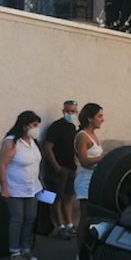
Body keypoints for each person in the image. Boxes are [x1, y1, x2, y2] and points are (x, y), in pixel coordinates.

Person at [0, 111, 43, 260]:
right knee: (17, 219)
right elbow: (2, 165)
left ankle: (26, 248)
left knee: (31, 217)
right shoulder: (11, 142)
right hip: (15, 188)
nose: (37, 129)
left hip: (32, 188)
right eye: (34, 125)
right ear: (24, 126)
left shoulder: (33, 141)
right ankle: (15, 252)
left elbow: (36, 163)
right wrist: (4, 187)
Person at [44, 100, 79, 240]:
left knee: (69, 196)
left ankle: (69, 224)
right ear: (63, 111)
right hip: (58, 170)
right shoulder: (56, 127)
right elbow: (47, 148)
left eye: (73, 111)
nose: (70, 114)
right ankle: (60, 227)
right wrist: (56, 166)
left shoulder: (75, 127)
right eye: (67, 111)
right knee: (55, 198)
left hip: (71, 168)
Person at [74, 103, 104, 254]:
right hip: (85, 181)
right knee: (85, 218)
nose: (102, 120)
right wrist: (102, 159)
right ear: (90, 118)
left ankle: (90, 250)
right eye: (99, 116)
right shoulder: (82, 136)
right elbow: (84, 161)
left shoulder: (94, 135)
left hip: (95, 179)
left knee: (94, 217)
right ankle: (81, 255)